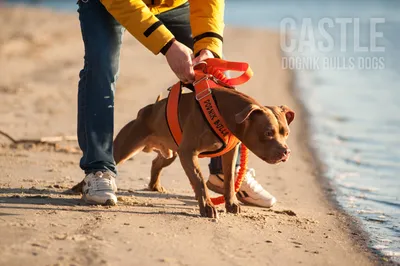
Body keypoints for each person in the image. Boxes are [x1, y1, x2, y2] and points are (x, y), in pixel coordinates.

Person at [77, 0, 276, 208]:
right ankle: (98, 169)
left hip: (172, 3)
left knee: (215, 72)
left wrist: (208, 48)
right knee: (100, 69)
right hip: (107, 3)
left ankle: (224, 172)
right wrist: (167, 45)